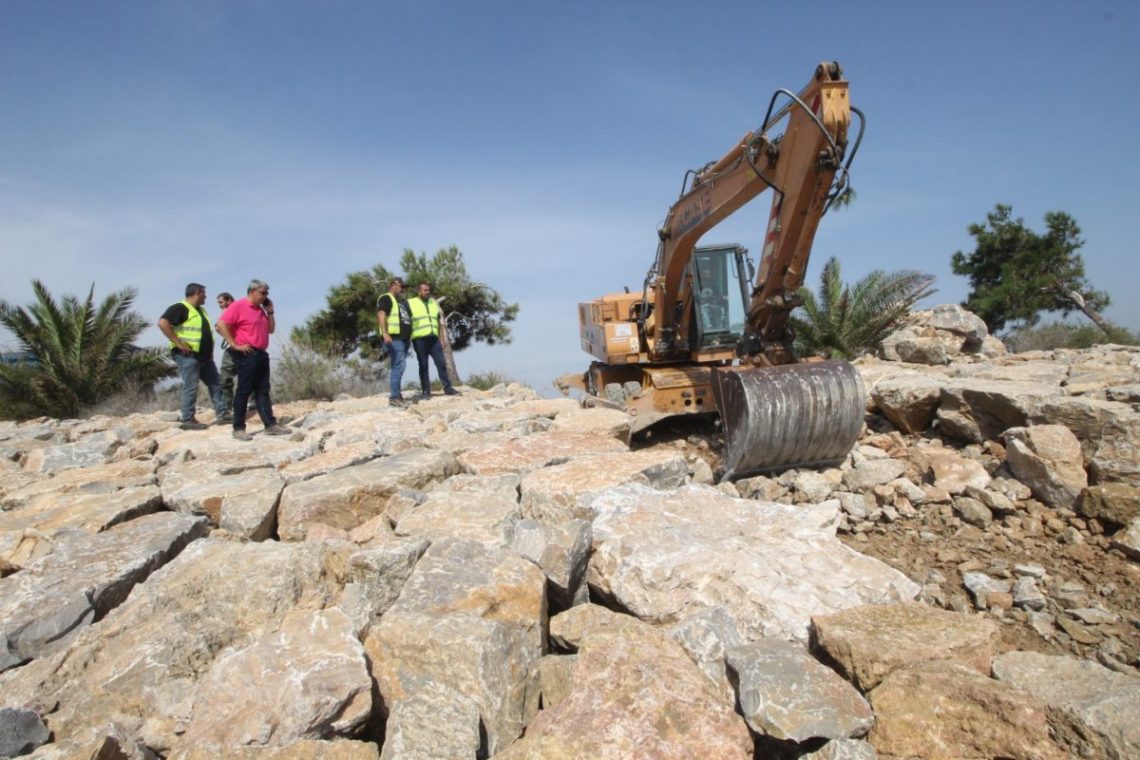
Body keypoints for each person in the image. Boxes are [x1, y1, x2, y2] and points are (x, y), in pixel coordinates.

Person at [215, 279, 291, 440]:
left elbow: (271, 330)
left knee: (263, 390)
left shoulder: (260, 310)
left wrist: (270, 313)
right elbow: (221, 324)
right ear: (252, 291)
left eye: (267, 293)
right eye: (263, 293)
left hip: (261, 353)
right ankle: (238, 428)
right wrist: (234, 345)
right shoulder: (238, 306)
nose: (265, 296)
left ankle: (270, 425)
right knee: (244, 390)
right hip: (247, 353)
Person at [157, 283, 229, 430]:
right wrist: (178, 343)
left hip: (205, 357)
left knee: (216, 383)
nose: (206, 297)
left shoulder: (201, 310)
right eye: (204, 294)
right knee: (191, 386)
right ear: (197, 293)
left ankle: (222, 414)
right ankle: (187, 419)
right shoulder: (180, 307)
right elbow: (162, 323)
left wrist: (210, 351)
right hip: (188, 355)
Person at [408, 280, 460, 399]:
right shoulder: (411, 302)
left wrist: (442, 338)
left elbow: (438, 321)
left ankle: (448, 388)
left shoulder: (433, 302)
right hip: (419, 339)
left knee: (441, 363)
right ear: (418, 291)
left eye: (428, 290)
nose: (428, 292)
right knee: (423, 365)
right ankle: (426, 391)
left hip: (434, 339)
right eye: (425, 290)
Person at [377, 277, 413, 406]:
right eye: (402, 287)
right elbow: (381, 314)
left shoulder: (399, 302)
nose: (403, 290)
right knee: (399, 365)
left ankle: (397, 395)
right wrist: (385, 333)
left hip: (403, 339)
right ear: (394, 285)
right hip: (394, 338)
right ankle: (394, 397)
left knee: (398, 365)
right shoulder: (386, 298)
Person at [215, 291, 237, 413]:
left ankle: (254, 403)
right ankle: (227, 406)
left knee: (248, 377)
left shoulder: (237, 309)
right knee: (225, 378)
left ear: (229, 300)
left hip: (241, 346)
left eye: (221, 302)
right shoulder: (225, 313)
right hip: (230, 348)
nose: (219, 305)